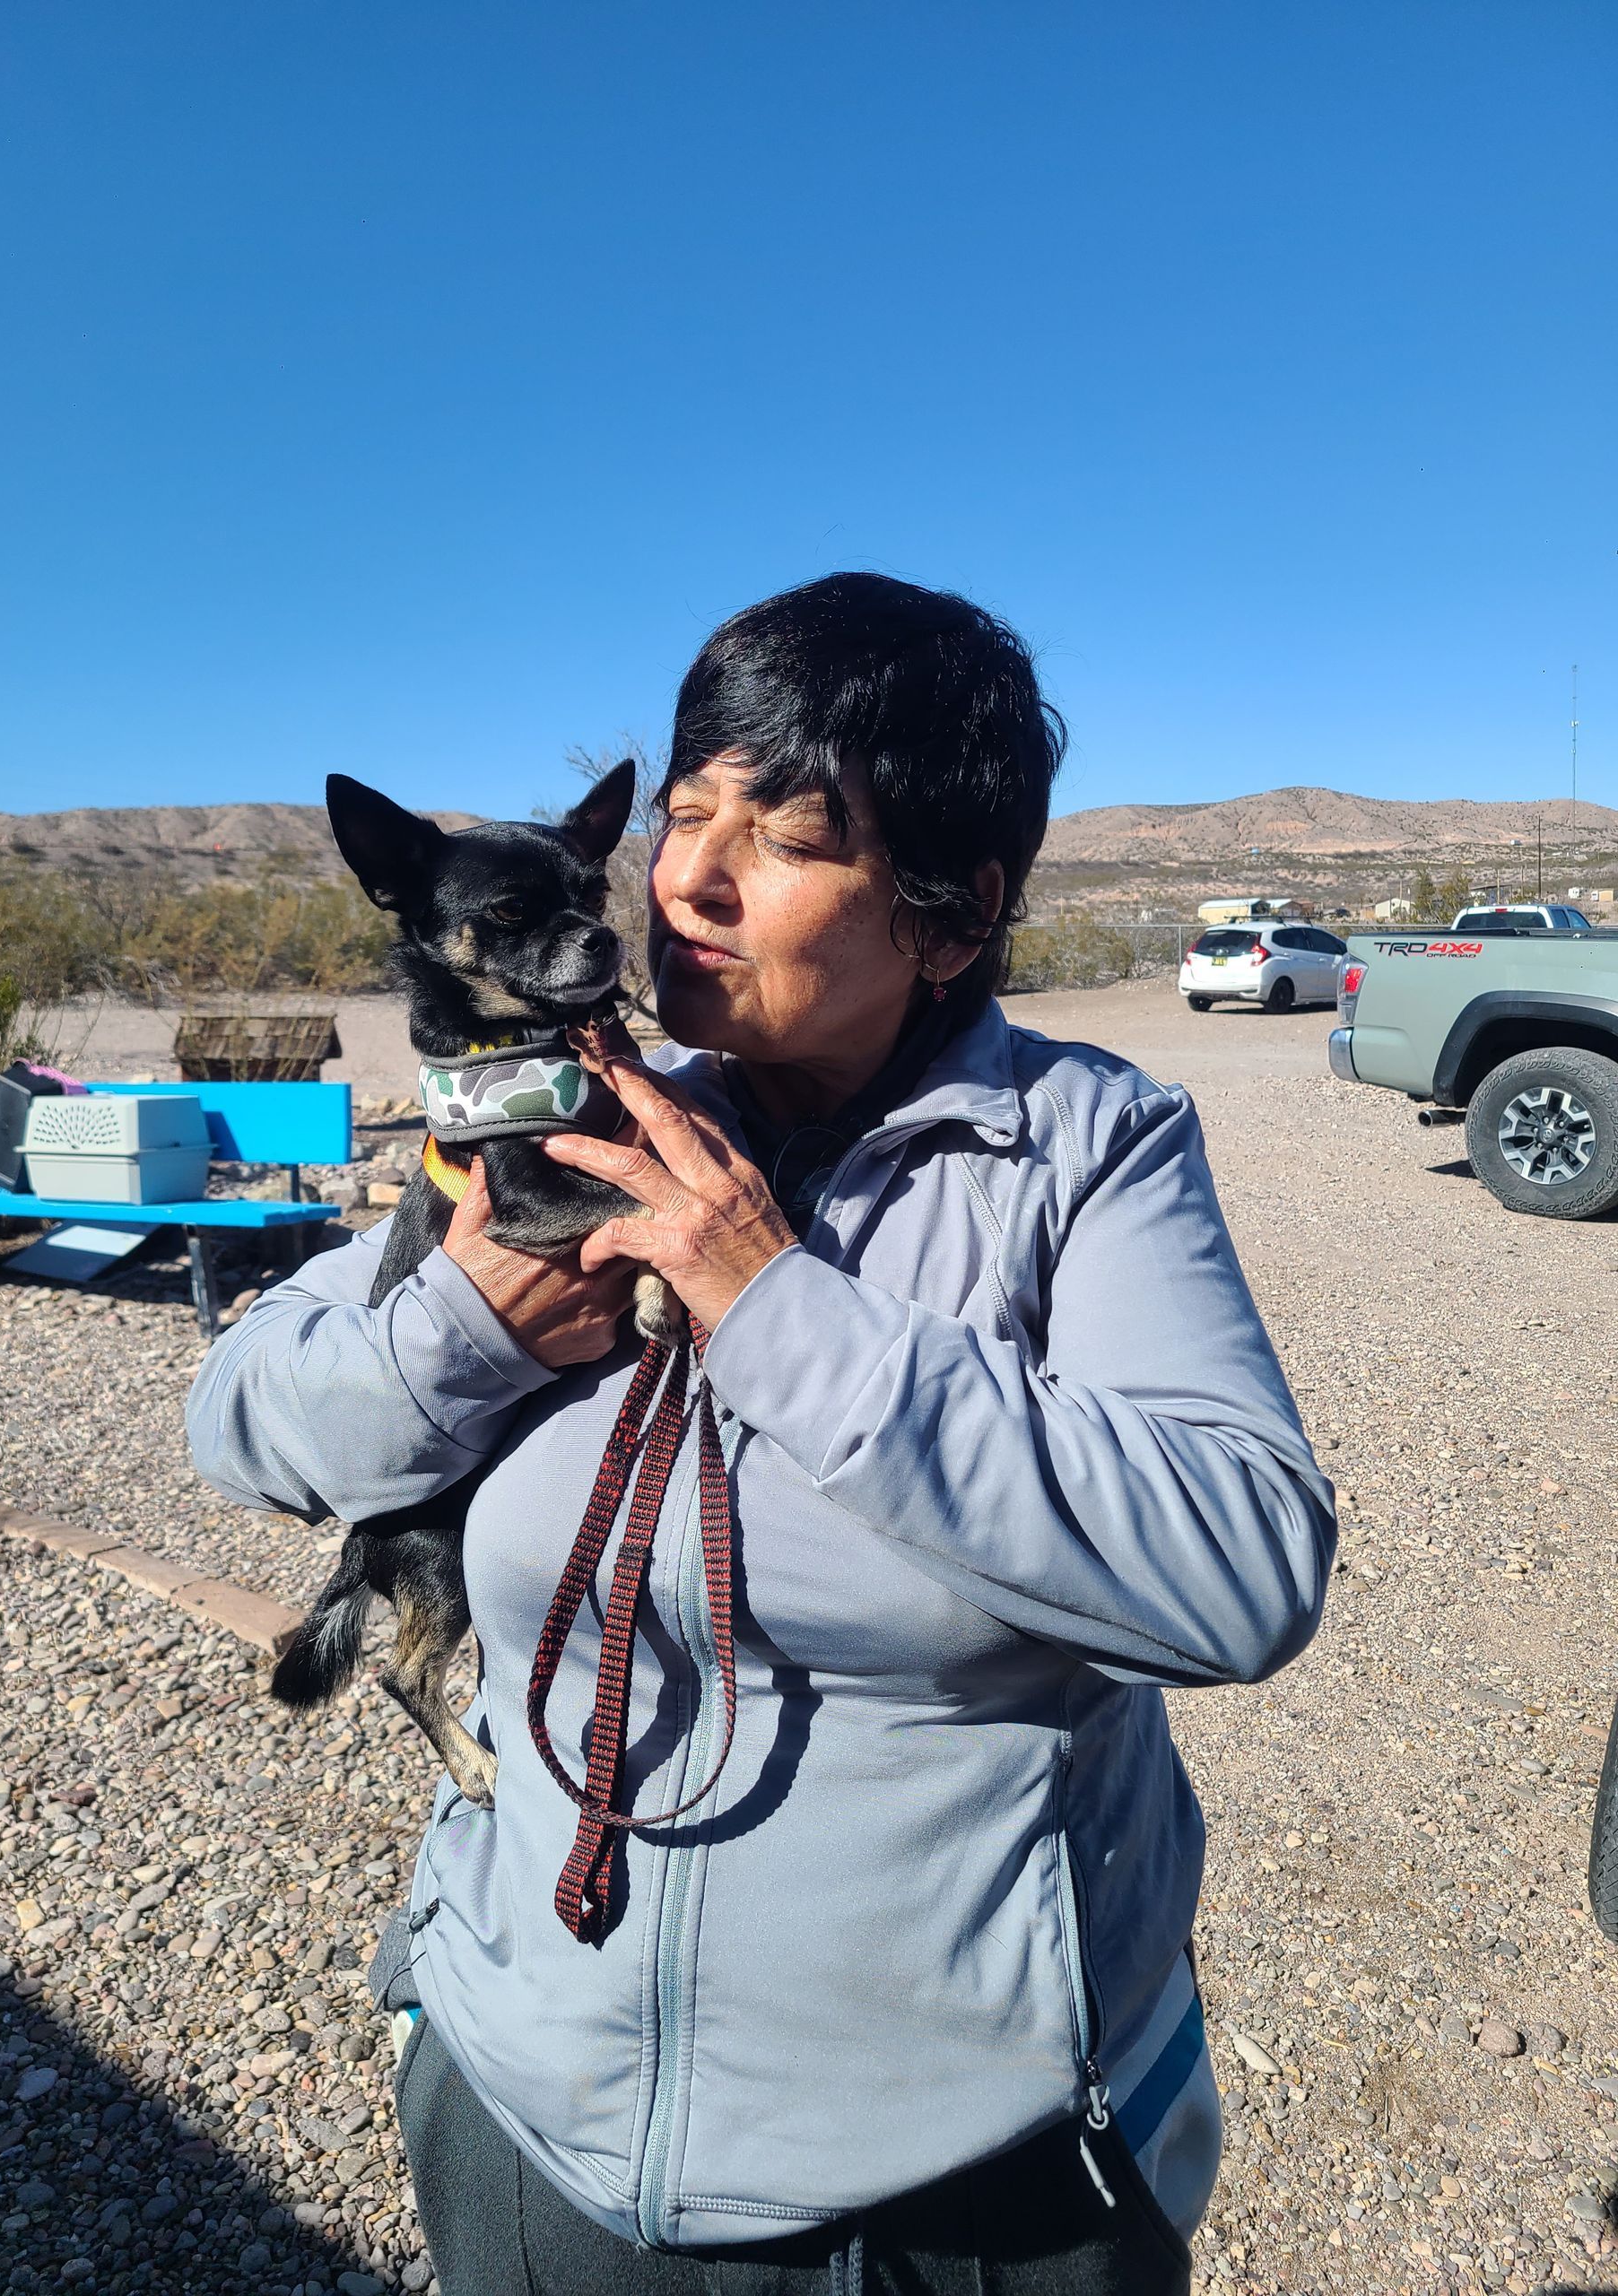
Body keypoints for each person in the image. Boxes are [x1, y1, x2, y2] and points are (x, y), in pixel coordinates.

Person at [188, 573, 1335, 2296]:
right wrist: (461, 1333)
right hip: (526, 2126)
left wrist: (777, 1300)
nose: (689, 881)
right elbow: (240, 1423)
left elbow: (1242, 1571)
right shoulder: (578, 1111)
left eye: (788, 835)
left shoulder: (1085, 1148)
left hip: (959, 2190)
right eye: (684, 812)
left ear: (953, 916)